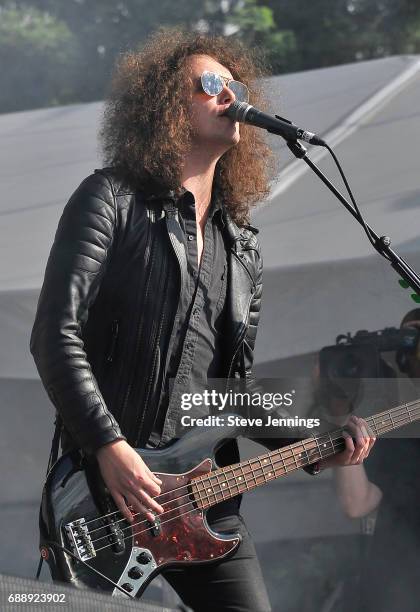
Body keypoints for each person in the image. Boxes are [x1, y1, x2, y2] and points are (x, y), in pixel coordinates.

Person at [30, 28, 375, 612]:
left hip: (206, 501)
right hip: (103, 493)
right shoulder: (109, 199)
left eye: (235, 84)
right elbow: (53, 334)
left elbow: (230, 395)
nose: (231, 94)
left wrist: (315, 440)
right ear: (168, 104)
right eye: (211, 84)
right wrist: (111, 449)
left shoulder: (240, 245)